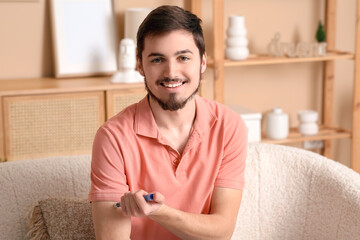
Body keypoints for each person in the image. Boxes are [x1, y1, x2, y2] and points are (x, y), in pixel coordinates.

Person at [89, 5, 247, 240]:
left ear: (203, 62)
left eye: (183, 57)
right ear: (140, 65)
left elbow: (222, 231)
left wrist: (159, 212)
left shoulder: (229, 126)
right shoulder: (112, 137)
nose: (171, 72)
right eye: (157, 59)